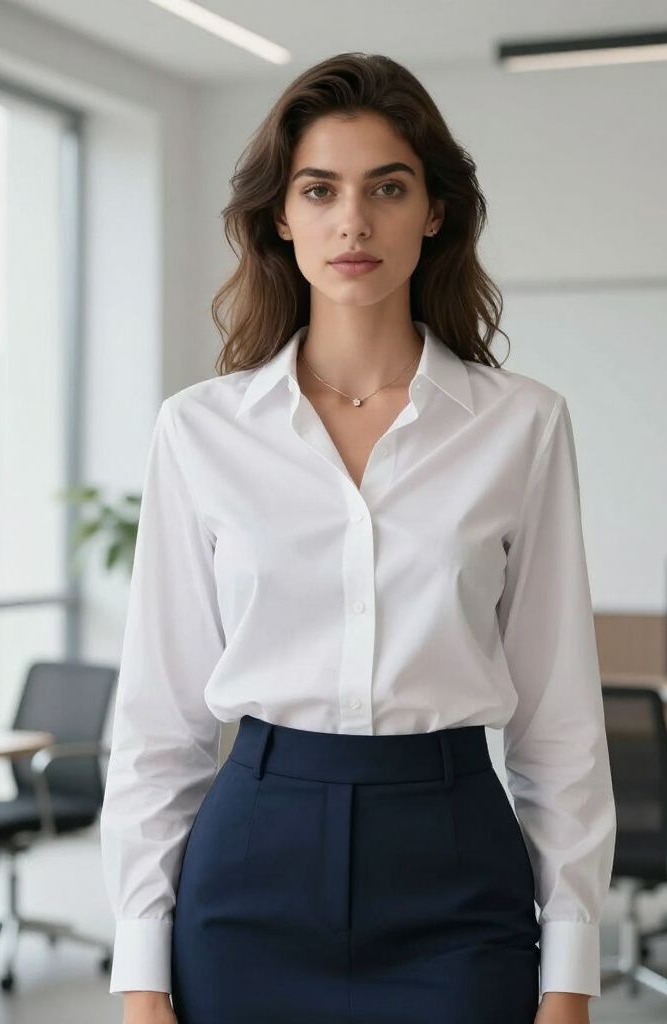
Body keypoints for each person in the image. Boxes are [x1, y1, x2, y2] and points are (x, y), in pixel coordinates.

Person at [100, 52, 616, 1024]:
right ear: (279, 217)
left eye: (387, 187)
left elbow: (560, 726)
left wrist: (570, 977)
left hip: (455, 867)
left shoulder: (523, 425)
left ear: (433, 211)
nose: (353, 221)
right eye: (319, 189)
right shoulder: (199, 430)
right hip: (250, 866)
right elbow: (157, 728)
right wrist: (140, 981)